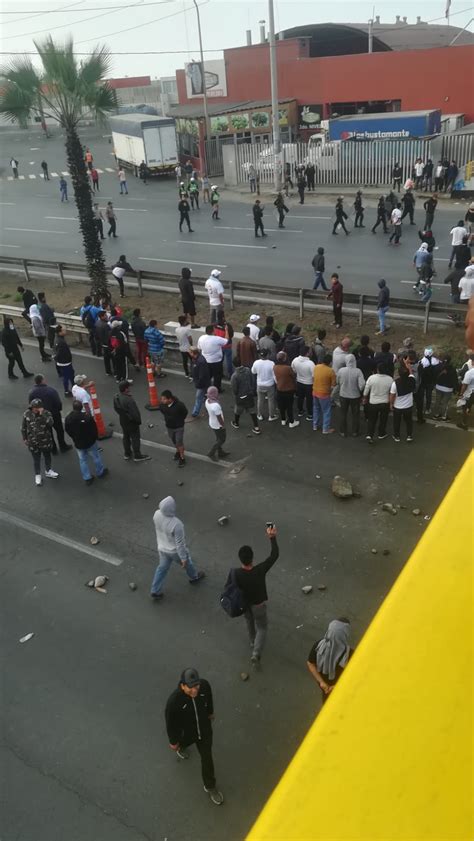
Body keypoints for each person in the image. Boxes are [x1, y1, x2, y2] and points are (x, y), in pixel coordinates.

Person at [165, 668, 223, 806]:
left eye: (196, 686)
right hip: (188, 733)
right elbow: (170, 722)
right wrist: (173, 741)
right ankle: (182, 747)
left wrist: (210, 712)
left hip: (204, 731)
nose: (195, 690)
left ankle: (210, 786)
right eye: (190, 687)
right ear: (183, 685)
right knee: (183, 743)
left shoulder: (204, 686)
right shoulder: (174, 701)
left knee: (207, 758)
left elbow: (209, 699)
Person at [231, 525, 279, 667]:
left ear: (241, 560)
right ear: (252, 558)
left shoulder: (236, 573)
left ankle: (252, 641)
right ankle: (256, 653)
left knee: (249, 622)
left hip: (245, 605)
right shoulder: (260, 570)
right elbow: (274, 555)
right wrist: (272, 537)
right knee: (262, 627)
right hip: (258, 606)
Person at [151, 497, 205, 599]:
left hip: (162, 548)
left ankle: (155, 590)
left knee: (162, 569)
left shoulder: (156, 514)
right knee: (188, 564)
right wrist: (183, 558)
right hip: (174, 552)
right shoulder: (177, 524)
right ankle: (194, 577)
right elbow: (180, 543)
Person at [306, 619, 352, 703]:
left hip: (326, 690)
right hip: (344, 693)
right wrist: (336, 687)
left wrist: (322, 683)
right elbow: (354, 675)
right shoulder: (349, 654)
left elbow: (310, 663)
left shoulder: (319, 646)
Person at [64, 400, 108, 484]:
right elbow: (94, 430)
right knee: (96, 457)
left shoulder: (68, 418)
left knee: (82, 460)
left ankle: (87, 477)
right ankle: (100, 472)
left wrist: (74, 437)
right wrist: (94, 438)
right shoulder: (87, 417)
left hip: (78, 443)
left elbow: (68, 430)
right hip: (90, 442)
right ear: (81, 408)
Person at [29, 374, 72, 454]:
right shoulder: (51, 390)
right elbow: (58, 402)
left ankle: (53, 449)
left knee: (48, 432)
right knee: (59, 430)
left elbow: (31, 405)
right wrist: (58, 410)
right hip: (54, 414)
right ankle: (62, 446)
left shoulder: (32, 392)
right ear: (42, 380)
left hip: (41, 416)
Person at [21, 398, 59, 486]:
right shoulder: (27, 414)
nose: (35, 409)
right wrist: (24, 438)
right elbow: (23, 427)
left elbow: (51, 423)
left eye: (37, 407)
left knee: (47, 456)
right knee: (36, 459)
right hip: (33, 441)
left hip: (45, 441)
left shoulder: (46, 413)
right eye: (34, 407)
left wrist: (42, 415)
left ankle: (48, 470)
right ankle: (37, 475)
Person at [113, 381, 151, 462]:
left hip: (123, 421)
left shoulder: (116, 397)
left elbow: (116, 408)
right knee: (135, 438)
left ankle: (127, 453)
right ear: (126, 389)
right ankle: (137, 455)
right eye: (128, 387)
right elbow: (135, 413)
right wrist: (138, 421)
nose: (129, 388)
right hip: (131, 422)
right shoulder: (129, 400)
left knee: (126, 437)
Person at [157, 390, 188, 467]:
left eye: (164, 399)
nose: (162, 401)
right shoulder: (162, 405)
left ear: (170, 399)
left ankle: (182, 457)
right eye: (162, 399)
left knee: (179, 442)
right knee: (174, 440)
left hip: (179, 427)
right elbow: (162, 411)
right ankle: (178, 451)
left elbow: (185, 413)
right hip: (169, 427)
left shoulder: (179, 405)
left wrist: (179, 420)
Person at [363, 363, 393, 442]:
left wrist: (365, 397)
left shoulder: (371, 378)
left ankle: (370, 434)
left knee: (372, 419)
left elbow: (366, 389)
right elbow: (392, 392)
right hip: (385, 402)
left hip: (373, 402)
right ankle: (381, 433)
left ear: (377, 369)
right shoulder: (390, 379)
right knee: (383, 419)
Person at [337, 354, 365, 437]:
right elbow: (362, 384)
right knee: (355, 414)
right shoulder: (358, 371)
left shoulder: (341, 370)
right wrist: (360, 390)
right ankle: (355, 432)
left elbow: (337, 381)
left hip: (343, 395)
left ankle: (343, 431)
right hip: (355, 396)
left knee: (343, 413)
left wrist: (341, 386)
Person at [390, 357, 416, 442]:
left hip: (398, 407)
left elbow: (392, 395)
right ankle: (409, 436)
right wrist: (408, 366)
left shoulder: (395, 383)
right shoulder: (412, 380)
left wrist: (391, 404)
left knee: (397, 422)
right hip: (408, 406)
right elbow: (411, 372)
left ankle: (396, 436)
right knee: (409, 422)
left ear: (399, 374)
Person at [231, 361, 260, 434]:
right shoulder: (248, 370)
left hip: (240, 396)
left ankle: (236, 423)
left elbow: (234, 388)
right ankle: (256, 427)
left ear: (234, 365)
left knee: (238, 410)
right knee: (252, 411)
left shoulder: (234, 376)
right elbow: (252, 380)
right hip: (249, 394)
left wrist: (236, 394)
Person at [197, 325, 227, 391]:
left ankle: (206, 388)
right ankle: (217, 389)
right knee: (217, 376)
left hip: (206, 361)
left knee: (208, 376)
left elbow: (199, 348)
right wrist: (226, 330)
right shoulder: (217, 339)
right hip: (216, 361)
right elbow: (226, 341)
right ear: (213, 331)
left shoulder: (201, 338)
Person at [311, 354, 336, 434]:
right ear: (330, 362)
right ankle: (325, 429)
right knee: (326, 411)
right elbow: (333, 384)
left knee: (316, 409)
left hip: (315, 392)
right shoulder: (330, 371)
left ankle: (315, 425)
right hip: (324, 394)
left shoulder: (316, 367)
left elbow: (313, 378)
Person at [272, 351, 298, 427]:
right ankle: (291, 422)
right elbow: (293, 376)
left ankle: (283, 420)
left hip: (279, 389)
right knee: (289, 406)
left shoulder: (275, 367)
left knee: (282, 406)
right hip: (289, 389)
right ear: (284, 359)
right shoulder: (288, 368)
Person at [416, 347, 441, 422]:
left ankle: (419, 408)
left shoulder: (422, 362)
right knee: (428, 395)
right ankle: (427, 409)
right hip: (431, 382)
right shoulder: (436, 361)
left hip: (423, 382)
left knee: (421, 395)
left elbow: (419, 372)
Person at [252, 349, 277, 422]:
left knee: (260, 400)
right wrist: (277, 383)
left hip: (260, 384)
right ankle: (271, 416)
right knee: (271, 400)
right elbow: (274, 375)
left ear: (260, 355)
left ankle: (259, 415)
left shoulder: (256, 362)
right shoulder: (272, 363)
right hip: (270, 385)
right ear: (268, 355)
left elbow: (253, 371)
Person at [205, 386, 229, 461]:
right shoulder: (215, 406)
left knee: (218, 438)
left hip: (212, 422)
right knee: (221, 440)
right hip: (217, 425)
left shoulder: (207, 401)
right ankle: (211, 453)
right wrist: (223, 425)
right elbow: (219, 418)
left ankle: (220, 452)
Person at [292, 345, 315, 420]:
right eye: (310, 352)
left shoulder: (295, 360)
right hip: (309, 384)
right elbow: (314, 375)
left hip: (299, 381)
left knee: (300, 398)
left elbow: (293, 370)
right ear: (307, 353)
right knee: (309, 399)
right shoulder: (311, 363)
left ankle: (300, 411)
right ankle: (310, 414)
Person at [432, 355, 458, 421]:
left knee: (437, 401)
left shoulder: (438, 366)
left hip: (438, 386)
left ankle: (436, 415)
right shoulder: (452, 368)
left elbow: (434, 375)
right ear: (450, 361)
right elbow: (454, 379)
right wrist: (456, 389)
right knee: (445, 403)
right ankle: (444, 417)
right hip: (448, 389)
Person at [53, 325, 75, 395]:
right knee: (67, 376)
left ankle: (73, 387)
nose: (65, 331)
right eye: (64, 330)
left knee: (70, 375)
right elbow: (59, 353)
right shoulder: (61, 342)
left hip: (63, 362)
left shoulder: (58, 339)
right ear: (60, 332)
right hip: (65, 362)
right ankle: (67, 391)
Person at [190, 348, 211, 419]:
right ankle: (209, 408)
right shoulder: (196, 359)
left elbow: (202, 375)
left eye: (190, 352)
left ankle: (195, 412)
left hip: (202, 383)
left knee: (198, 397)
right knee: (206, 396)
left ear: (193, 353)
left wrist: (198, 384)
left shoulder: (200, 361)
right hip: (203, 382)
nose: (189, 353)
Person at [214, 310, 234, 380]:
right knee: (229, 361)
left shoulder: (215, 324)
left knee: (220, 360)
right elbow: (231, 335)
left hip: (219, 345)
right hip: (227, 345)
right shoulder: (227, 325)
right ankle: (230, 374)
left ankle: (220, 373)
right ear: (223, 316)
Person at [95, 310, 113, 376]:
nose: (106, 316)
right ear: (102, 316)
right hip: (108, 344)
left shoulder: (97, 323)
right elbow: (109, 335)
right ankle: (116, 372)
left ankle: (108, 371)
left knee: (106, 359)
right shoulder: (106, 325)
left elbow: (96, 335)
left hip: (102, 343)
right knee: (113, 358)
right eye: (105, 315)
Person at [457, 364, 474, 430]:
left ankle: (464, 424)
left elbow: (464, 385)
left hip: (470, 393)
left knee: (465, 407)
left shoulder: (470, 372)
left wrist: (461, 394)